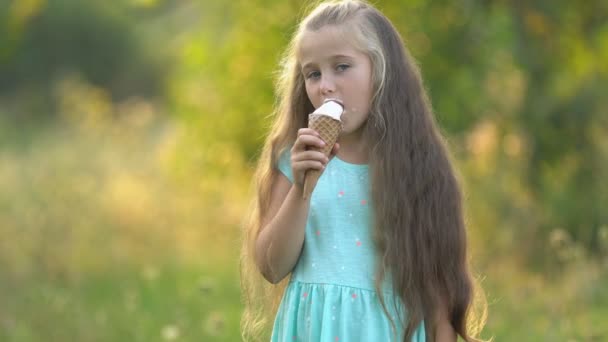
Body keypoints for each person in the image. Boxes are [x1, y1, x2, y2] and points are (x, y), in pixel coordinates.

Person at [241, 1, 487, 341]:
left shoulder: (420, 168)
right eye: (313, 73)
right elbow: (271, 267)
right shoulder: (294, 158)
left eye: (341, 67)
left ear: (382, 71)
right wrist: (302, 189)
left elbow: (439, 290)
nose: (325, 85)